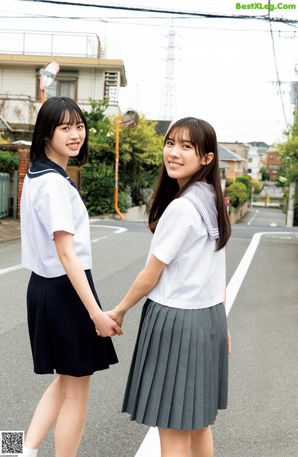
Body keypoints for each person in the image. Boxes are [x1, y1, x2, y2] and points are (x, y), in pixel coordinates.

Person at [106, 117, 232, 457]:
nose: (173, 153)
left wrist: (118, 311)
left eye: (186, 147)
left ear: (207, 158)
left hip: (177, 322)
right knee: (196, 422)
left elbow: (151, 274)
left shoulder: (182, 208)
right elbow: (215, 270)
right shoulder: (212, 199)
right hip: (207, 319)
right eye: (171, 143)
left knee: (173, 425)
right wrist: (222, 323)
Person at [19, 96, 122, 457]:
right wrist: (95, 311)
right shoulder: (53, 184)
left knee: (66, 382)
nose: (75, 134)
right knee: (77, 390)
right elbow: (66, 252)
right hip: (65, 290)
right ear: (46, 132)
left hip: (46, 287)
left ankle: (21, 450)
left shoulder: (37, 174)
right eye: (65, 127)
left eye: (79, 126)